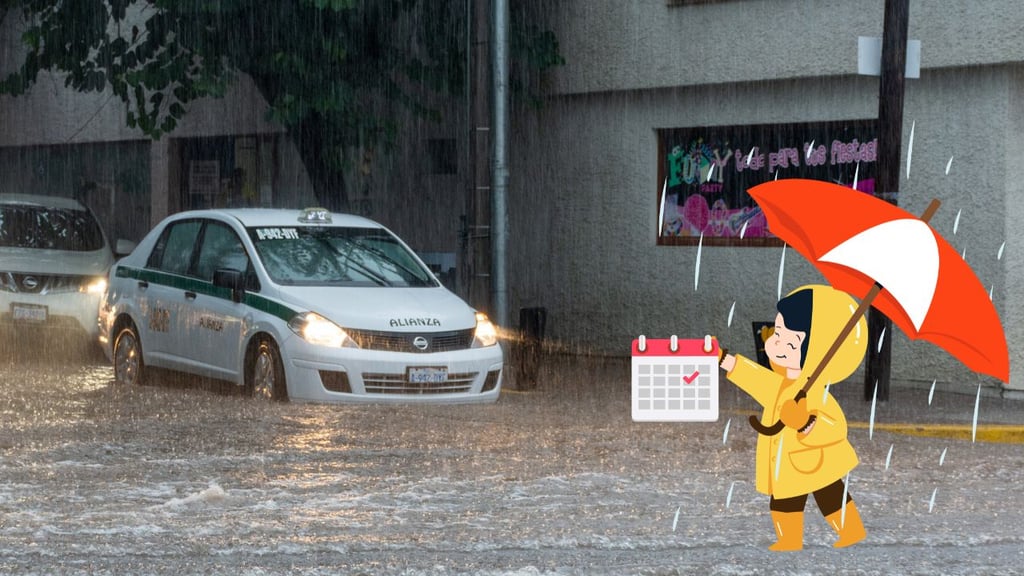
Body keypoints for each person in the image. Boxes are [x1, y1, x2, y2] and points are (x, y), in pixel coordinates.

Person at [719, 284, 868, 551]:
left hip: (815, 462)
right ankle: (789, 539)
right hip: (786, 464)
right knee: (783, 501)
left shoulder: (817, 393)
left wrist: (806, 423)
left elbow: (836, 427)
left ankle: (851, 531)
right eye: (777, 333)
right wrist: (726, 360)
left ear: (816, 352)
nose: (776, 343)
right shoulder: (782, 384)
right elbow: (757, 380)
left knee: (830, 495)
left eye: (788, 341)